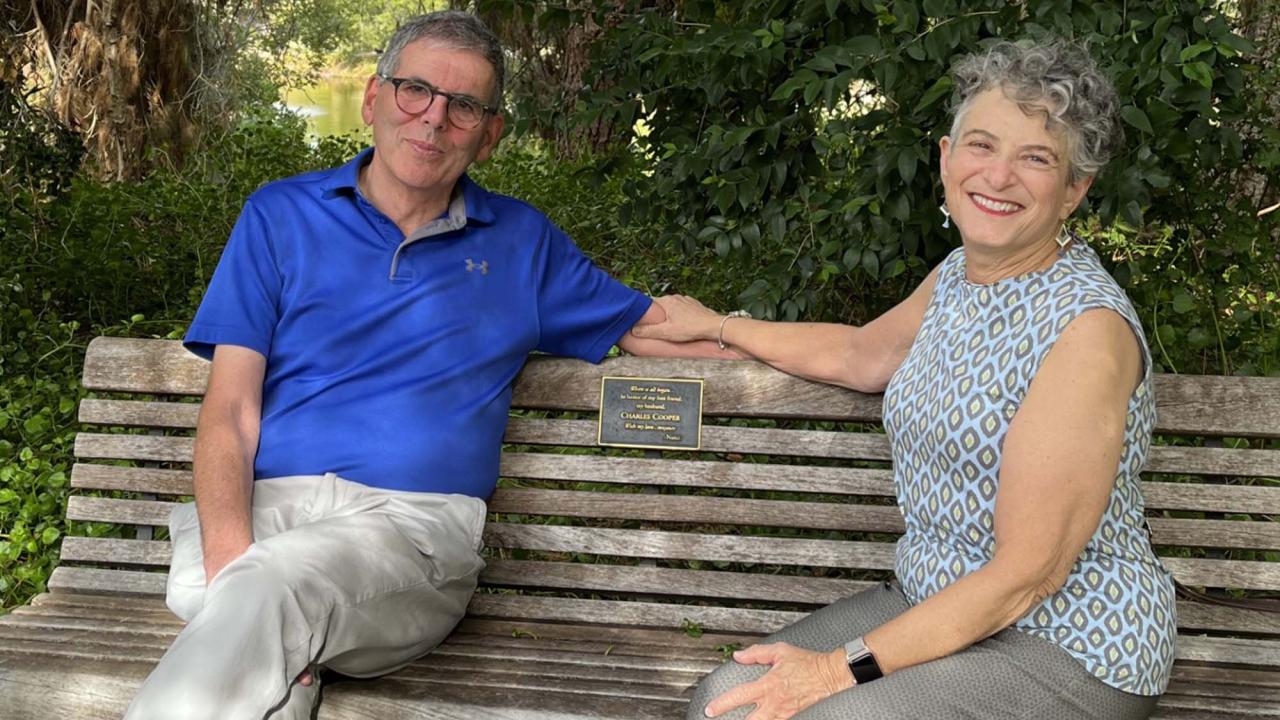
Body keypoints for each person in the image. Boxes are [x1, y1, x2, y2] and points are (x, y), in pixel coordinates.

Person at [123, 11, 726, 720]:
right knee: (257, 612)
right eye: (415, 90)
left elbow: (651, 328)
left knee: (264, 595)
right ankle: (288, 650)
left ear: (490, 135)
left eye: (463, 105)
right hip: (268, 511)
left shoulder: (523, 243)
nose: (434, 119)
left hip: (408, 532)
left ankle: (265, 615)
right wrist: (236, 566)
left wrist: (801, 342)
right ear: (374, 98)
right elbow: (228, 411)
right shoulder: (279, 216)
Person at [631, 39, 1176, 720]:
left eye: (1036, 158)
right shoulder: (956, 278)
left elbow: (1027, 575)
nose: (999, 176)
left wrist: (836, 671)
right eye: (982, 146)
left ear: (1074, 190)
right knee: (724, 702)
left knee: (821, 717)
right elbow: (860, 355)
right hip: (935, 602)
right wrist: (717, 327)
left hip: (1062, 645)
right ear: (946, 159)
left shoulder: (1086, 330)